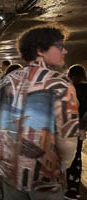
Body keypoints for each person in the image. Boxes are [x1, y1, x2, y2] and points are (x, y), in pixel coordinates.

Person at [0, 24, 85, 200]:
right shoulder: (60, 85)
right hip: (44, 178)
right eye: (59, 46)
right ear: (41, 50)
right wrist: (64, 165)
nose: (64, 51)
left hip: (9, 170)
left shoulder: (7, 82)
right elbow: (67, 142)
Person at [65, 64, 87, 200]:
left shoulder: (69, 89)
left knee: (67, 157)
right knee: (77, 155)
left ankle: (68, 187)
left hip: (68, 128)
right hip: (80, 129)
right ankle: (75, 188)